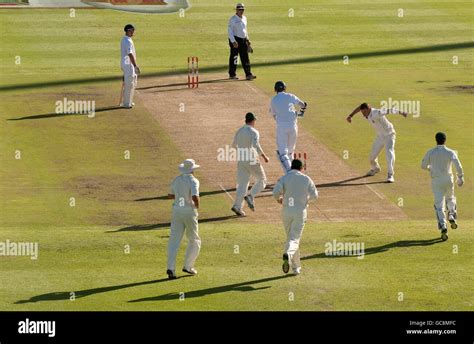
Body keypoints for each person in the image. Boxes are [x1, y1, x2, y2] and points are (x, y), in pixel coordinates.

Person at [272, 159, 318, 275]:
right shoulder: (306, 179)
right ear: (301, 168)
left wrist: (279, 200)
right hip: (300, 211)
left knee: (291, 238)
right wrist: (305, 201)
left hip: (287, 211)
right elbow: (315, 196)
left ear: (291, 167)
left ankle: (296, 268)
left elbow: (275, 192)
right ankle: (288, 254)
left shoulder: (284, 178)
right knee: (294, 239)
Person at [346, 103, 407, 182]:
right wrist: (351, 115)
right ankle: (375, 168)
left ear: (369, 109)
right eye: (362, 112)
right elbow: (359, 108)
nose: (363, 114)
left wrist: (401, 112)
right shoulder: (366, 113)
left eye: (364, 112)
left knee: (389, 154)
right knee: (372, 157)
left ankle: (390, 174)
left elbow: (389, 110)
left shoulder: (376, 112)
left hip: (389, 135)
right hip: (380, 137)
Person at [421, 132, 464, 241]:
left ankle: (443, 226)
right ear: (445, 140)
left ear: (436, 140)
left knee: (439, 205)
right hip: (448, 179)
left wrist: (430, 168)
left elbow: (423, 165)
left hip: (436, 180)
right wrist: (460, 177)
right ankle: (451, 215)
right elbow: (458, 165)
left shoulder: (430, 152)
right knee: (450, 198)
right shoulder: (450, 152)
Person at [167, 159, 201, 279]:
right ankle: (188, 266)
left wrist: (180, 195)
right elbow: (195, 197)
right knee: (194, 239)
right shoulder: (194, 181)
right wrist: (196, 207)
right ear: (192, 170)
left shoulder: (176, 180)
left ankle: (170, 268)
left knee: (174, 240)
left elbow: (170, 195)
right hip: (189, 212)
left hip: (177, 211)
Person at [231, 112, 270, 216]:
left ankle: (237, 206)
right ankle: (250, 196)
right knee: (262, 180)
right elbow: (255, 145)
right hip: (252, 159)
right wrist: (264, 156)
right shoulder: (254, 131)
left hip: (241, 160)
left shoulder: (239, 131)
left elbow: (234, 145)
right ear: (253, 120)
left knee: (242, 185)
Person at [270, 81, 307, 173]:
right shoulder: (290, 96)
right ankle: (294, 172)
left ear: (275, 89)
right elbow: (303, 104)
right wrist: (301, 111)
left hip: (282, 127)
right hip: (293, 126)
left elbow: (274, 115)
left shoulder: (274, 100)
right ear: (285, 88)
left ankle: (289, 172)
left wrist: (281, 118)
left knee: (282, 154)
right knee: (290, 152)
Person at [227, 3, 256, 80]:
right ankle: (232, 74)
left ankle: (248, 74)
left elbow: (245, 30)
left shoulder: (244, 18)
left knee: (245, 58)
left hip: (243, 40)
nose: (241, 11)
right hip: (235, 40)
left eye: (242, 9)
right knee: (234, 57)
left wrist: (248, 41)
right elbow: (230, 31)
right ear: (236, 10)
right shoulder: (232, 19)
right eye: (239, 9)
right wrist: (233, 41)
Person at [120, 24, 140, 109]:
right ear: (128, 31)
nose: (133, 32)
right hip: (128, 64)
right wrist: (135, 65)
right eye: (132, 30)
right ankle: (126, 103)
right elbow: (130, 54)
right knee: (129, 84)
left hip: (129, 64)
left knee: (133, 83)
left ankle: (130, 101)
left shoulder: (127, 39)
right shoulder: (127, 41)